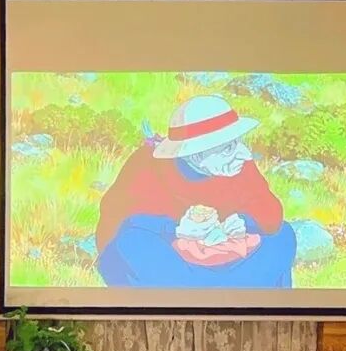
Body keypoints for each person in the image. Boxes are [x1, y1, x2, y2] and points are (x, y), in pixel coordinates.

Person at [95, 94, 296, 289]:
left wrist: (244, 221)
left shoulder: (239, 164)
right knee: (130, 245)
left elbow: (271, 212)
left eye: (239, 142)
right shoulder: (147, 165)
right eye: (228, 148)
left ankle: (212, 292)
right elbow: (116, 225)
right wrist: (175, 229)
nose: (243, 153)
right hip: (173, 262)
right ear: (195, 155)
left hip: (229, 258)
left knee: (283, 235)